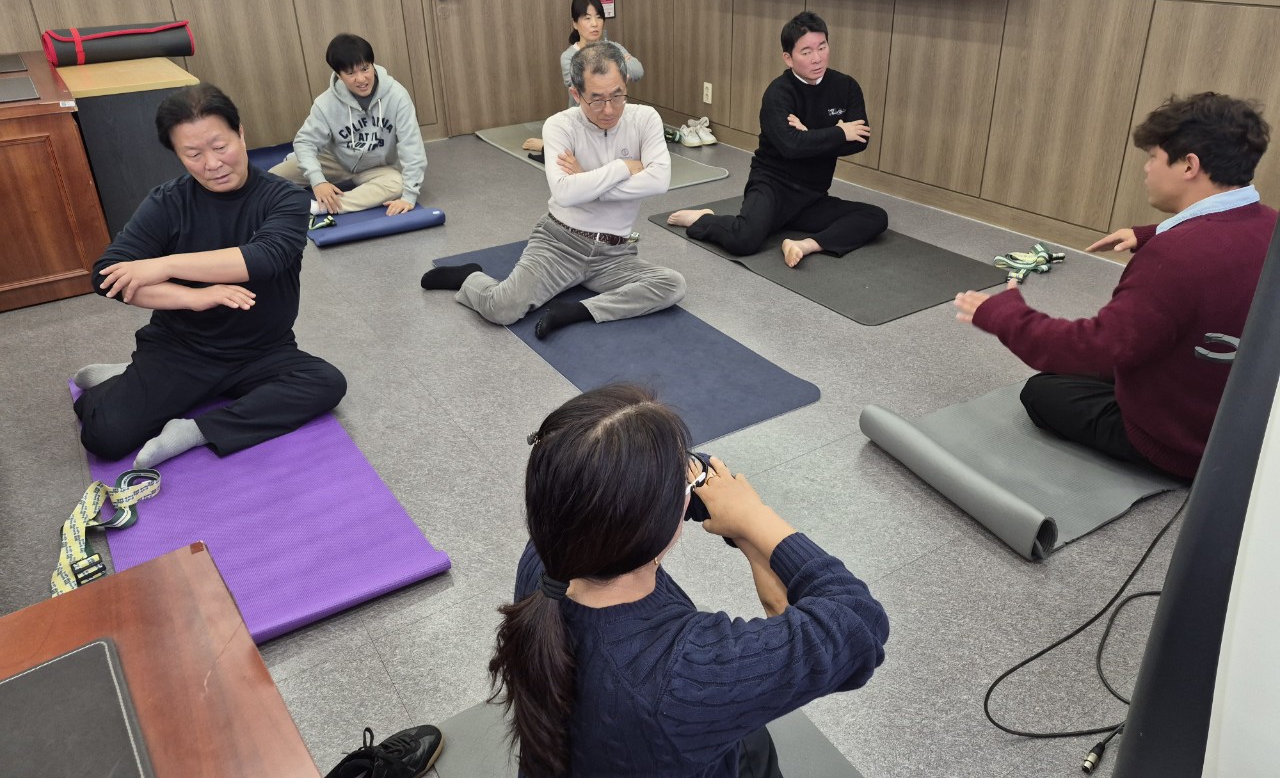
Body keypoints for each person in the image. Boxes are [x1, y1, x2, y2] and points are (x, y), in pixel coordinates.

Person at [489, 384, 890, 778]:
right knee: (753, 744)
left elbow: (620, 478)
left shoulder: (547, 554)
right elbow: (859, 622)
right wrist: (753, 518)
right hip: (658, 729)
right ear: (654, 523)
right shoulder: (686, 676)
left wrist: (691, 487)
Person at [955, 92, 1275, 481]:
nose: (1146, 169)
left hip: (1182, 446)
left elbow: (1091, 350)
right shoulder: (1269, 225)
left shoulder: (1173, 257)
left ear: (1189, 165)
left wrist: (1003, 315)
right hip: (1240, 427)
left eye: (1154, 157)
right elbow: (1227, 241)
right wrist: (1150, 234)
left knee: (1042, 392)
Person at [72, 84, 347, 470]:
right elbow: (106, 277)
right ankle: (123, 379)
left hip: (263, 350)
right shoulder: (167, 202)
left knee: (326, 383)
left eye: (220, 147)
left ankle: (196, 429)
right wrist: (194, 297)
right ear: (178, 155)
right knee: (104, 435)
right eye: (194, 154)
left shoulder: (285, 198)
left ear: (241, 133)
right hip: (183, 349)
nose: (212, 164)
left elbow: (265, 257)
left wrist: (166, 265)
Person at [422, 41, 685, 339]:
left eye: (617, 95)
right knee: (502, 308)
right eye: (597, 99)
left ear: (625, 84)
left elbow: (659, 181)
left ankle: (578, 311)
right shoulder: (559, 125)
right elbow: (564, 193)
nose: (609, 109)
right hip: (560, 244)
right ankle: (470, 277)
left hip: (616, 253)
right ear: (576, 94)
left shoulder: (645, 118)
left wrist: (586, 179)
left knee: (672, 284)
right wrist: (623, 167)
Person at [668, 11, 888, 267]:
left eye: (822, 47)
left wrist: (809, 134)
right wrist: (838, 132)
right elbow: (791, 146)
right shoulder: (778, 94)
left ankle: (804, 245)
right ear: (788, 58)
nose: (817, 58)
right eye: (806, 52)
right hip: (772, 186)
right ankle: (704, 219)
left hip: (813, 194)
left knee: (875, 217)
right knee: (744, 240)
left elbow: (860, 140)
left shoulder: (846, 86)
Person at [270, 33, 427, 226]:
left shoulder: (397, 96)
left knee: (398, 183)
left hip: (378, 166)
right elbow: (305, 142)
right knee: (269, 181)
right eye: (351, 73)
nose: (361, 79)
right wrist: (318, 181)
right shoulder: (325, 103)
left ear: (372, 64)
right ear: (339, 75)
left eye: (365, 69)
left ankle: (322, 207)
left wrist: (409, 197)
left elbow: (412, 147)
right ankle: (304, 166)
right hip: (335, 159)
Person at [522, 0, 643, 157]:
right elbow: (580, 86)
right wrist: (618, 68)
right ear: (575, 23)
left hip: (611, 116)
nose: (595, 23)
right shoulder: (569, 56)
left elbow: (637, 70)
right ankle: (548, 146)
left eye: (599, 17)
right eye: (587, 18)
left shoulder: (613, 47)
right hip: (583, 121)